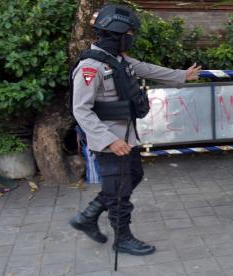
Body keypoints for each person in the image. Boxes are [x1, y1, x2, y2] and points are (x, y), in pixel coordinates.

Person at [69, 4, 201, 256]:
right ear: (117, 33)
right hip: (110, 142)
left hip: (128, 136)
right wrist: (109, 141)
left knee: (133, 177)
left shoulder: (119, 59)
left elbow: (147, 69)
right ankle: (123, 239)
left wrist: (182, 75)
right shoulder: (90, 67)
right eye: (129, 32)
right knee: (119, 191)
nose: (132, 36)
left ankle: (88, 216)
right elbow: (81, 110)